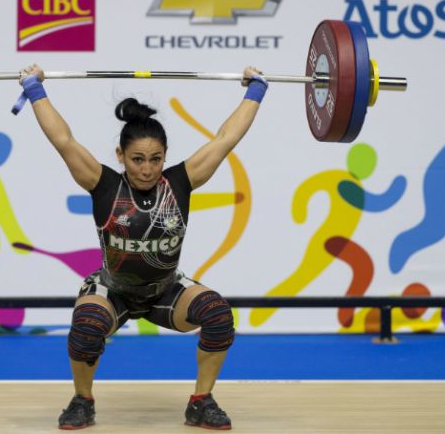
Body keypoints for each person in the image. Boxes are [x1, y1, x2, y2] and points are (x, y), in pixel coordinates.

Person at [17, 63, 268, 430]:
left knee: (217, 314)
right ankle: (82, 401)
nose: (147, 169)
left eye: (155, 159)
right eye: (137, 159)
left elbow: (225, 139)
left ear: (165, 157)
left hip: (165, 292)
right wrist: (34, 89)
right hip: (112, 291)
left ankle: (201, 401)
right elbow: (64, 141)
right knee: (86, 325)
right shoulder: (103, 185)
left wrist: (255, 91)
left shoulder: (180, 182)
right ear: (120, 155)